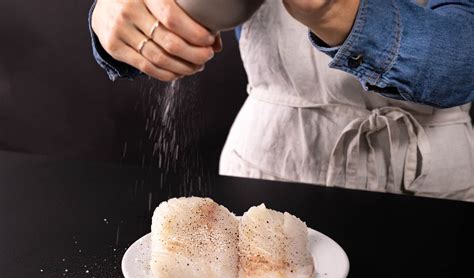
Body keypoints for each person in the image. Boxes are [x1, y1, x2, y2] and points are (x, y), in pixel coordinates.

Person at [90, 0, 474, 201]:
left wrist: (344, 14)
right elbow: (170, 10)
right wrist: (113, 15)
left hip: (429, 193)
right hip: (268, 175)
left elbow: (463, 60)